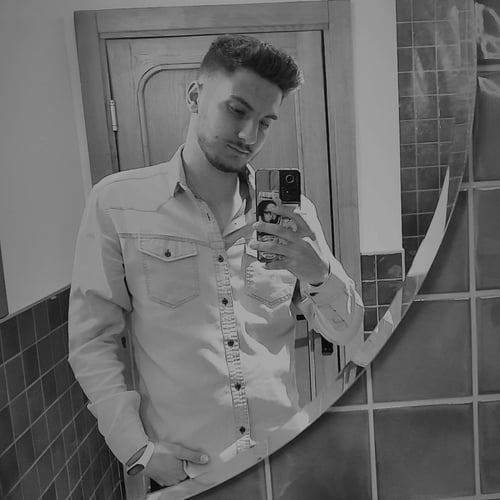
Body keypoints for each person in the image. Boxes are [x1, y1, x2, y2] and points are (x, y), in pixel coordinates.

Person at [68, 34, 364, 489]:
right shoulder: (117, 203)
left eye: (265, 122)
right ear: (195, 96)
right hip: (189, 478)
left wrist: (317, 271)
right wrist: (137, 450)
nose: (249, 136)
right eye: (237, 110)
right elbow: (92, 340)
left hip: (284, 468)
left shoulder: (293, 216)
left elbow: (346, 331)